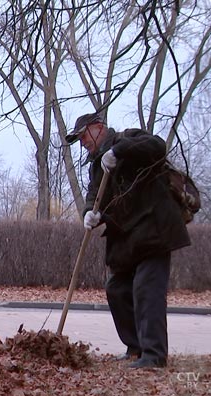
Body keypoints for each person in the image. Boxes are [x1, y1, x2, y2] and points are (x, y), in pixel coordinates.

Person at [65, 113, 190, 369]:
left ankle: (154, 356)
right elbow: (93, 195)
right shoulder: (97, 165)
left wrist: (119, 151)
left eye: (83, 136)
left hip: (153, 230)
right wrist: (89, 213)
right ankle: (136, 348)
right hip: (127, 239)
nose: (82, 143)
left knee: (146, 288)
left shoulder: (129, 138)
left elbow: (157, 147)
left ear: (99, 128)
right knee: (117, 289)